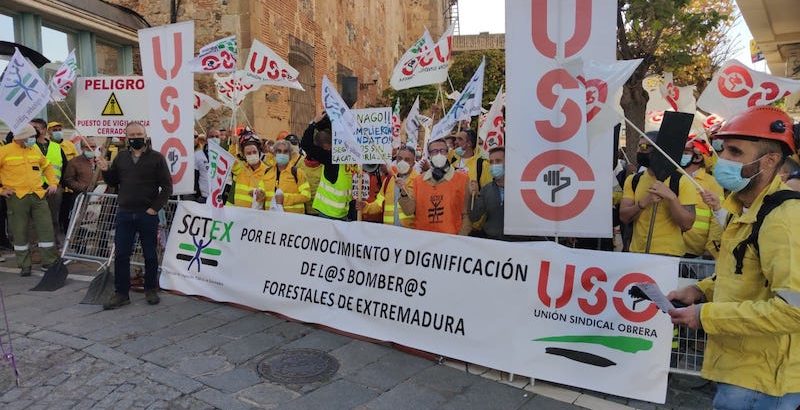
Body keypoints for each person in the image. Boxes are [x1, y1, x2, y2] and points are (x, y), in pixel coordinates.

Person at [668, 106, 800, 409]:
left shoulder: (783, 217)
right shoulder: (750, 211)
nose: (723, 160)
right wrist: (700, 290)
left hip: (763, 381)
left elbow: (793, 311)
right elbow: (743, 274)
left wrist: (705, 315)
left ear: (768, 161)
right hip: (742, 369)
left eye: (735, 151)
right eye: (722, 149)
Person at [98, 122, 172, 309]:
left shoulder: (157, 158)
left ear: (145, 135)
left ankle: (150, 289)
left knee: (150, 254)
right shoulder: (121, 157)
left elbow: (167, 187)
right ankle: (121, 293)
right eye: (132, 134)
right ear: (126, 137)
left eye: (139, 133)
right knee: (121, 254)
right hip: (125, 213)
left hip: (147, 214)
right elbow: (114, 181)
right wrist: (106, 170)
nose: (136, 137)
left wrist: (154, 208)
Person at [619, 131, 698, 256]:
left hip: (669, 255)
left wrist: (671, 198)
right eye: (639, 146)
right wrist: (643, 203)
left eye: (645, 147)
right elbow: (624, 216)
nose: (640, 151)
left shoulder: (681, 181)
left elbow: (687, 224)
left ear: (660, 150)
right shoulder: (634, 180)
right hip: (637, 253)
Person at [0, 124, 59, 275]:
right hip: (16, 197)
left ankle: (49, 261)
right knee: (19, 232)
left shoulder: (34, 149)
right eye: (30, 137)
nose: (33, 139)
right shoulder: (5, 151)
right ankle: (24, 265)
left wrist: (53, 183)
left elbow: (47, 166)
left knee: (46, 229)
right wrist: (2, 190)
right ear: (20, 137)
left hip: (38, 195)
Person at [398, 138, 470, 235]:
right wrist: (403, 193)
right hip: (424, 240)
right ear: (429, 155)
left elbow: (467, 216)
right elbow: (408, 211)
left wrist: (458, 241)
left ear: (447, 153)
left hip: (450, 241)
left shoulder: (462, 179)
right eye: (434, 151)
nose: (438, 154)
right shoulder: (419, 181)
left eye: (442, 151)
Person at [300, 113, 353, 220]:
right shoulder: (352, 157)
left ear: (325, 147)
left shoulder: (331, 158)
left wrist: (313, 123)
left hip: (329, 213)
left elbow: (306, 144)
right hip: (342, 212)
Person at [680, 138, 724, 259]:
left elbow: (717, 218)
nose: (680, 155)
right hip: (671, 247)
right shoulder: (671, 177)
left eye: (686, 152)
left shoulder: (713, 183)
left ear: (698, 157)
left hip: (697, 252)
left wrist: (710, 249)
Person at [357, 146, 417, 228]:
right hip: (388, 232)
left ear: (413, 163)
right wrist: (366, 207)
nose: (402, 162)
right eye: (400, 158)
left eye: (407, 159)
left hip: (409, 232)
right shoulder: (389, 181)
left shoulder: (418, 181)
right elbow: (379, 203)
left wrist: (404, 190)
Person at [31, 118, 68, 246]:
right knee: (35, 219)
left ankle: (53, 244)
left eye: (35, 128)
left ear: (44, 130)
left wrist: (60, 185)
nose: (32, 130)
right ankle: (37, 246)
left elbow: (64, 167)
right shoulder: (29, 146)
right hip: (35, 188)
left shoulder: (56, 147)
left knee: (53, 218)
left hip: (54, 188)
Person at [451, 129, 492, 235]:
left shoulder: (482, 165)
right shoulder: (452, 164)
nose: (456, 142)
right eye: (456, 139)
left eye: (460, 139)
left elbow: (487, 195)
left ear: (469, 143)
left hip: (473, 227)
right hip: (451, 223)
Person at [468, 147, 508, 240]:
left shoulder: (521, 189)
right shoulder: (486, 189)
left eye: (498, 161)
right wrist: (473, 195)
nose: (494, 165)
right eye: (491, 162)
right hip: (492, 241)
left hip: (517, 243)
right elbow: (474, 217)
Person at [263, 139, 310, 213]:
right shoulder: (267, 172)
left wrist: (285, 199)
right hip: (271, 218)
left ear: (290, 155)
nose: (282, 154)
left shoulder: (298, 173)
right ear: (275, 154)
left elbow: (306, 195)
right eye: (279, 151)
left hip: (293, 219)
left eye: (285, 152)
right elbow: (262, 192)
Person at [226, 135, 270, 209]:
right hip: (239, 213)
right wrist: (233, 145)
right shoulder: (240, 168)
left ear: (259, 152)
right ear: (244, 155)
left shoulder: (267, 171)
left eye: (254, 152)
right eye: (248, 153)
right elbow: (230, 158)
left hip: (257, 214)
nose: (252, 155)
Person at [194, 134, 210, 203]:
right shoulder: (197, 155)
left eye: (217, 136)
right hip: (204, 197)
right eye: (211, 136)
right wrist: (198, 195)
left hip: (219, 197)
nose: (214, 138)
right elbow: (195, 177)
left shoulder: (223, 155)